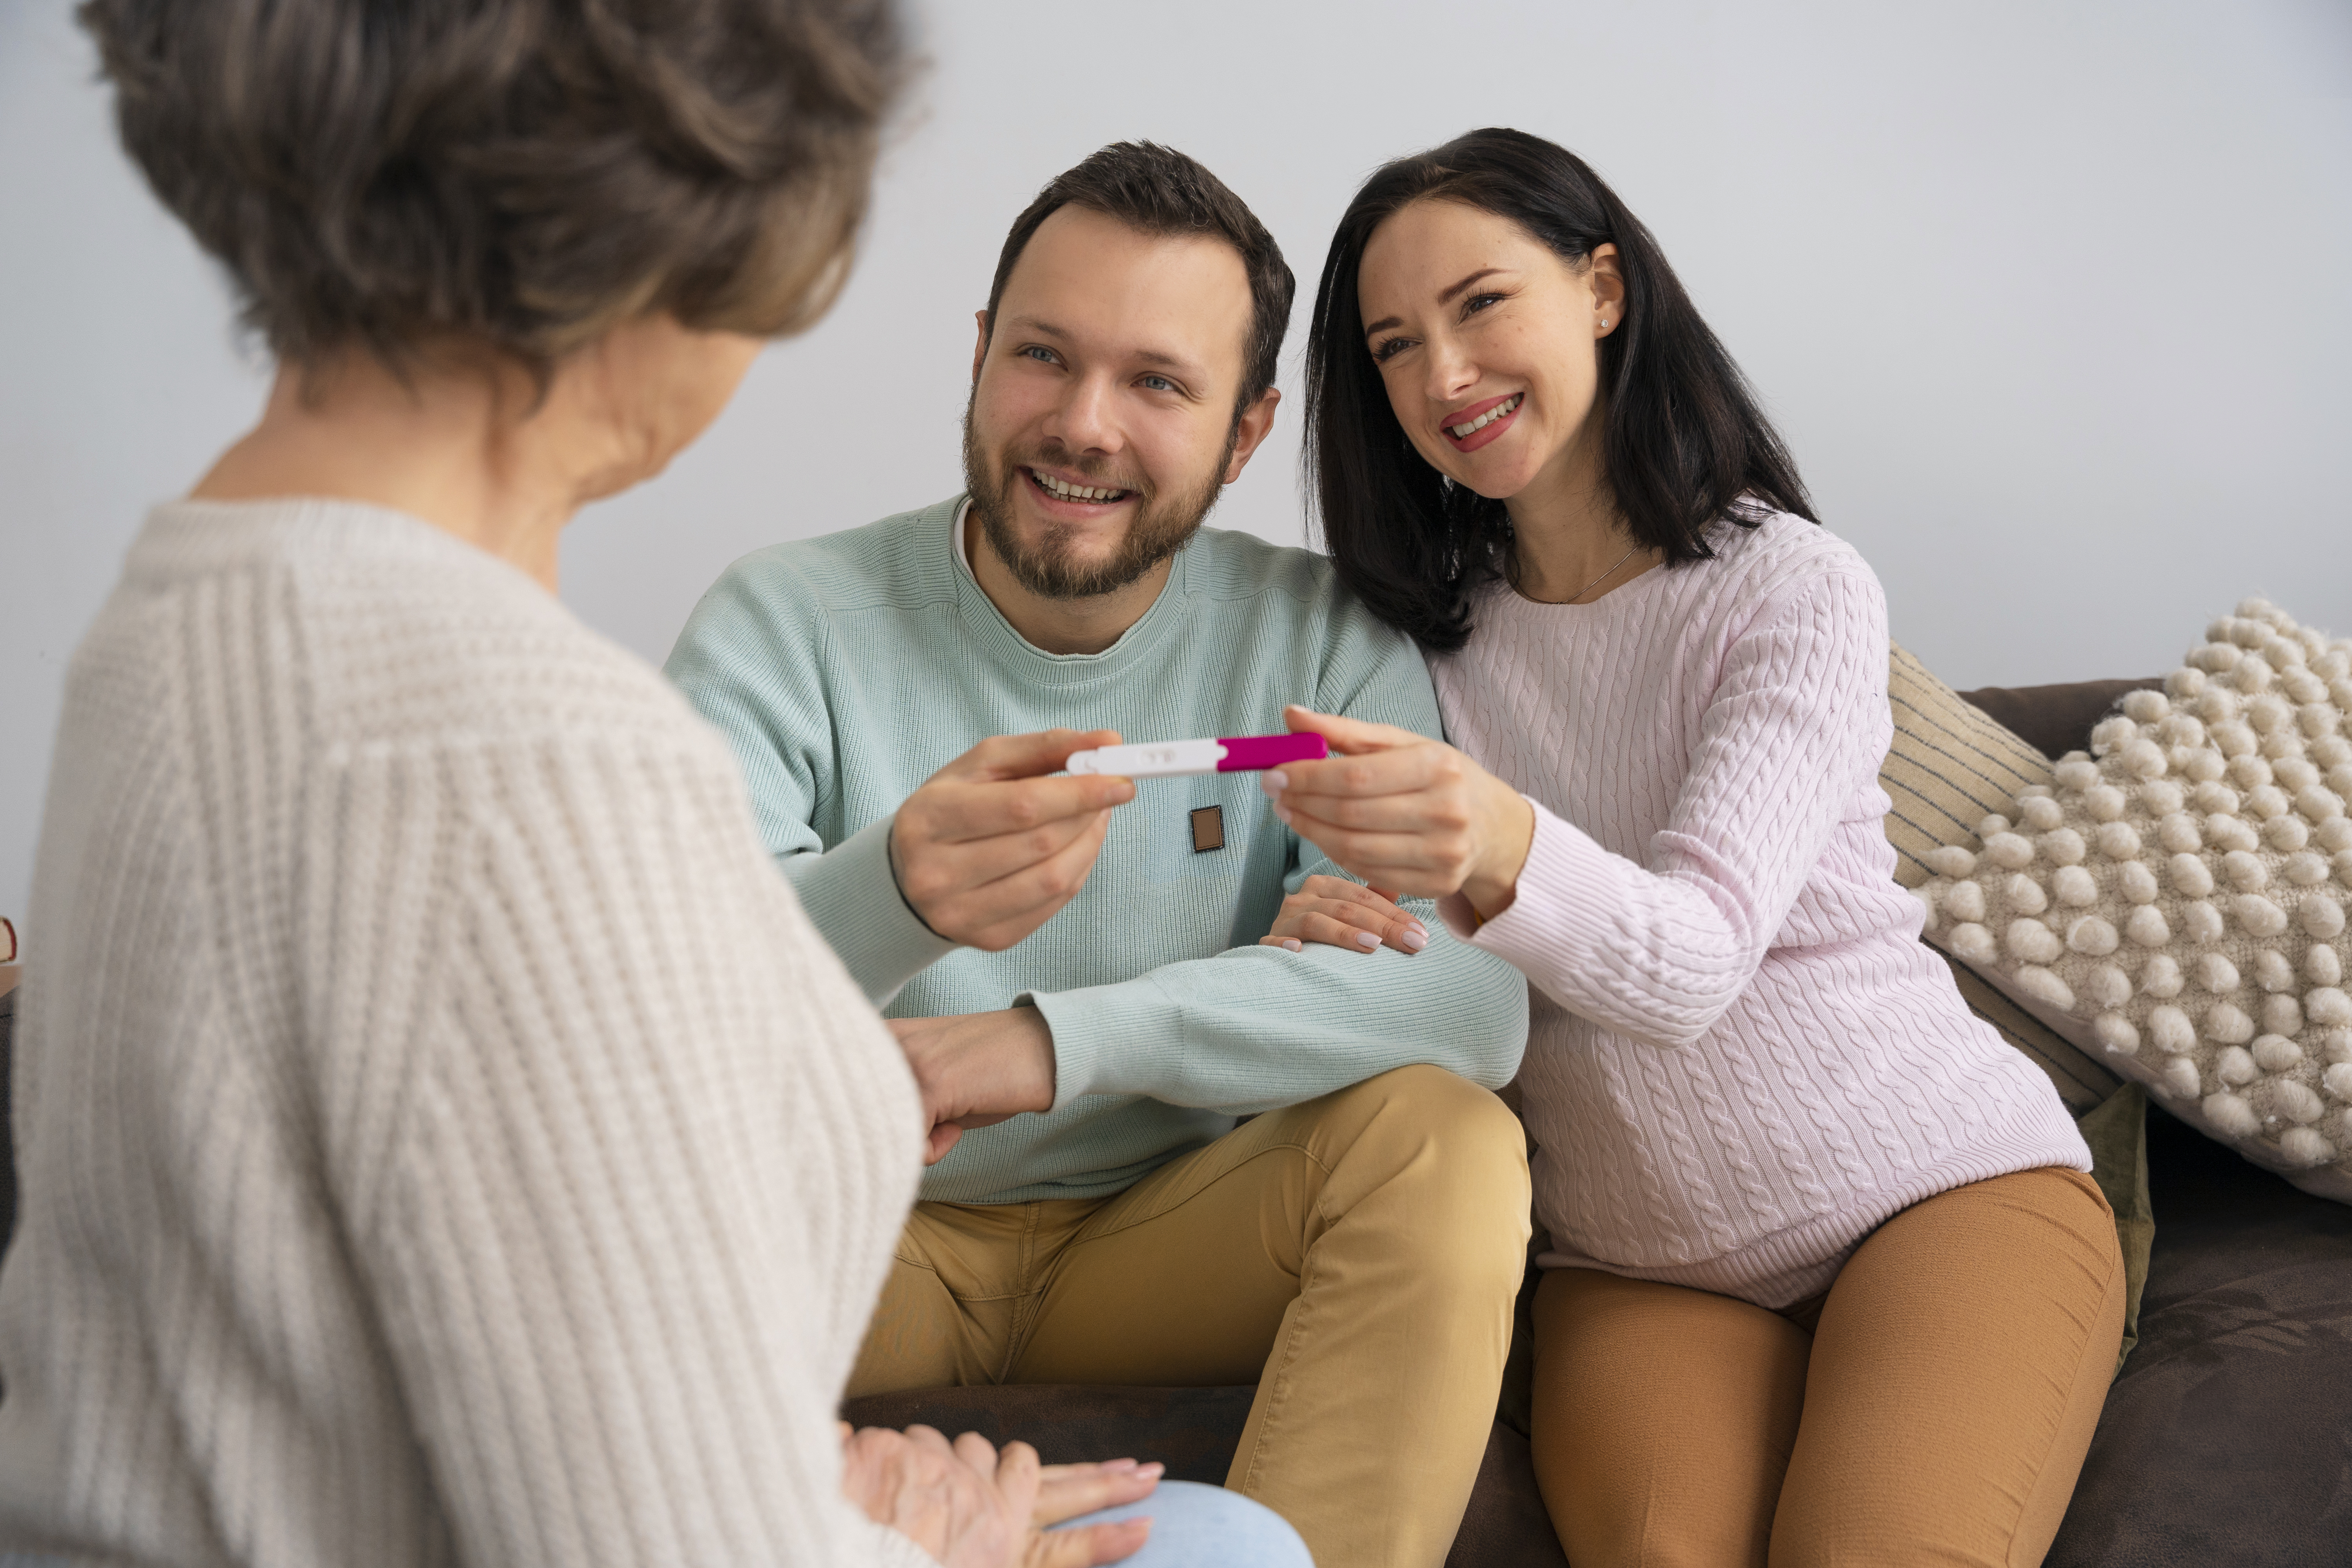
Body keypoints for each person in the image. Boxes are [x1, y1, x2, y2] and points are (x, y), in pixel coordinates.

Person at [0, 4, 1308, 1565]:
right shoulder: (523, 762)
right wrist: (938, 1540)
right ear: (671, 239)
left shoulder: (169, 616)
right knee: (1239, 1549)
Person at [1261, 127, 2125, 1567]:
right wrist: (1330, 937)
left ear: (1603, 289)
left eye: (1483, 306)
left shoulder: (1792, 588)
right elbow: (1448, 968)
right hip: (1637, 1264)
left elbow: (1691, 960)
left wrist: (1493, 835)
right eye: (1396, 347)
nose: (1444, 378)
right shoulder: (1421, 653)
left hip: (1939, 1191)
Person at [662, 141, 1534, 1568]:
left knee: (1448, 1142)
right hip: (854, 1230)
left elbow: (1467, 1003)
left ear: (1249, 433)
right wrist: (887, 897)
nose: (1082, 425)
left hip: (1178, 1228)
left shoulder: (1321, 645)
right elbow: (649, 1011)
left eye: (1157, 383)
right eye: (1044, 357)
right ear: (980, 359)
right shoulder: (786, 622)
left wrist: (1038, 1043)